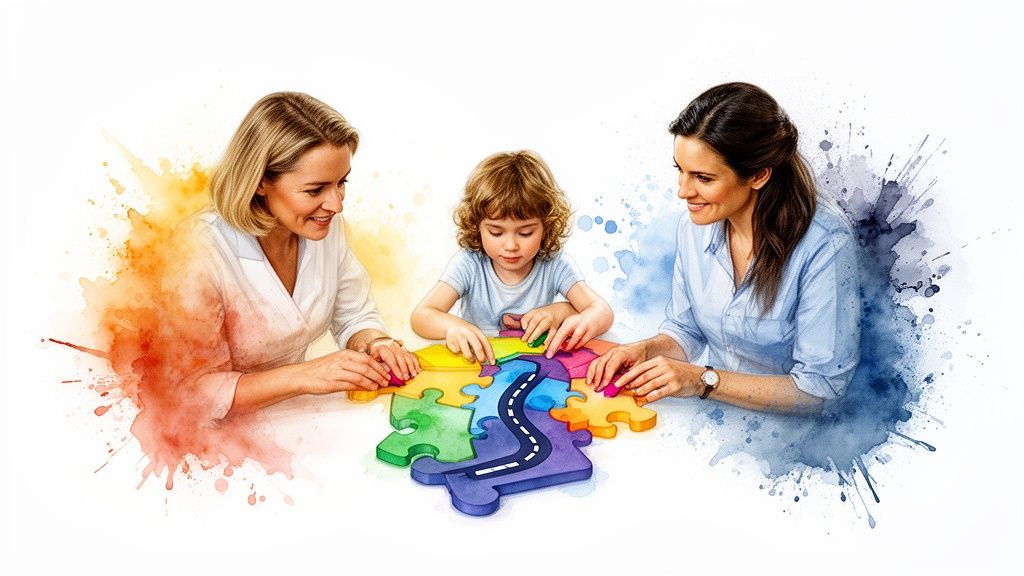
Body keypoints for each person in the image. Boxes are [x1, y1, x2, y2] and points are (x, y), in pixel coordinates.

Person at [588, 82, 860, 415]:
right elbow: (686, 330)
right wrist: (646, 350)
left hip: (789, 441)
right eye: (681, 171)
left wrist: (703, 380)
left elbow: (820, 391)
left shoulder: (825, 243)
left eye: (703, 178)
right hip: (717, 419)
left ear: (758, 176)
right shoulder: (695, 224)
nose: (683, 192)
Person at [179, 91, 420, 421]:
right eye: (315, 189)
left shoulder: (325, 227)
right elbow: (193, 393)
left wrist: (377, 344)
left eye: (341, 183)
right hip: (210, 443)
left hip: (293, 423)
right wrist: (305, 376)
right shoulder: (197, 252)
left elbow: (353, 315)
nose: (336, 204)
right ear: (261, 182)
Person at [410, 150, 613, 364]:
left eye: (525, 233)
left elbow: (602, 312)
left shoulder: (554, 264)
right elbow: (421, 316)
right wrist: (454, 327)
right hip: (477, 368)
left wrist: (561, 311)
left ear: (546, 226)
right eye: (496, 232)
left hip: (534, 368)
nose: (511, 246)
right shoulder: (469, 263)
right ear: (476, 226)